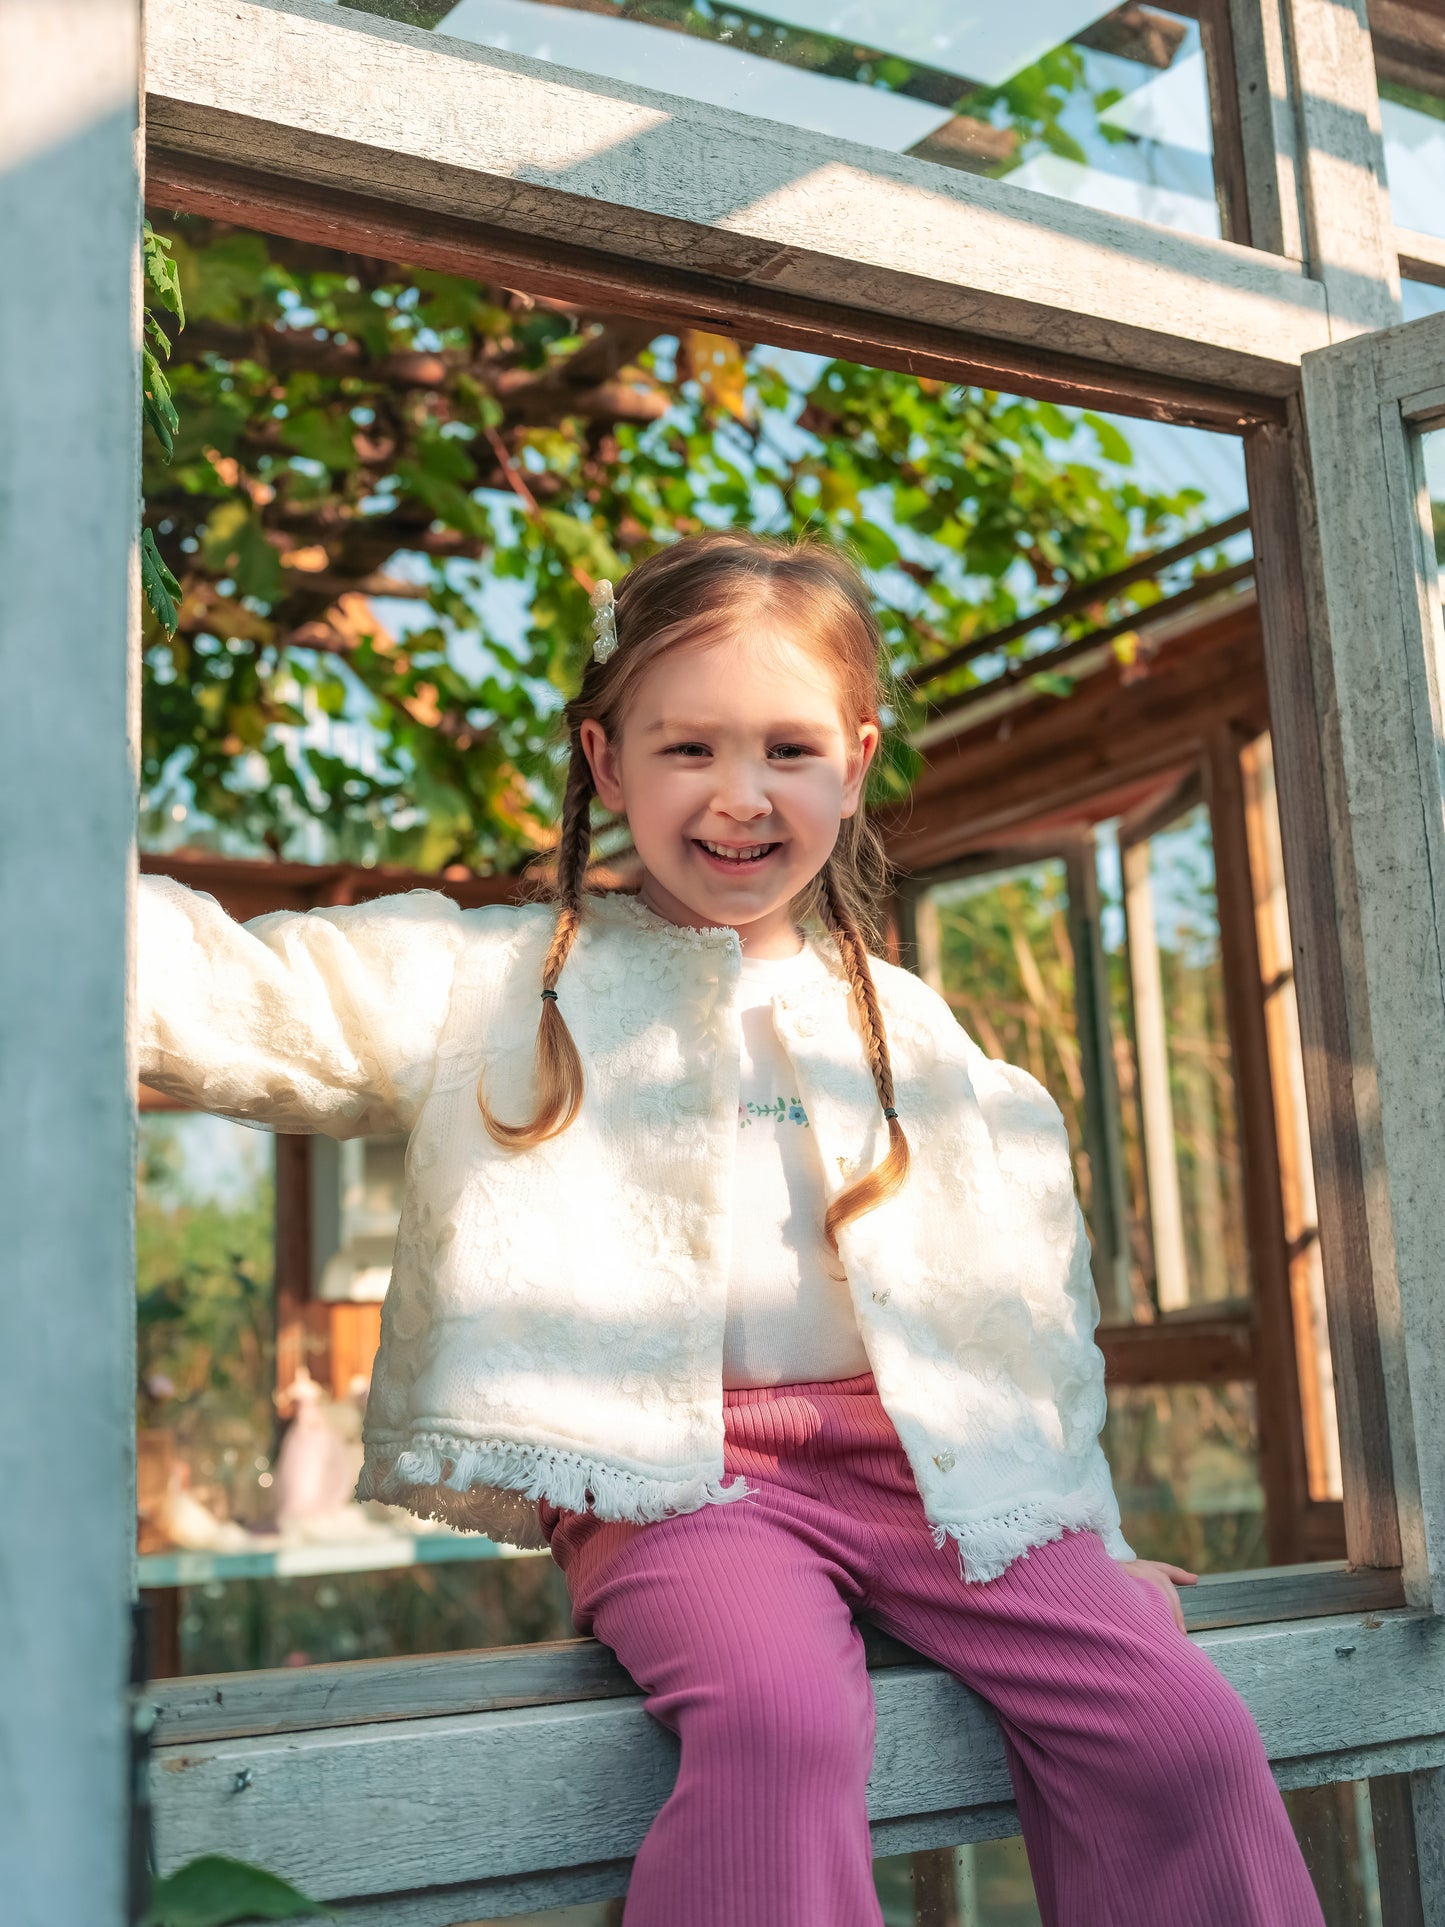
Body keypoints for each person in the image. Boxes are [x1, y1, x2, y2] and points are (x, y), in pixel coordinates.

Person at [137, 531, 1324, 1927]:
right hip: (675, 1479)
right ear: (605, 761)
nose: (739, 798)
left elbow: (1016, 1305)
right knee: (776, 1725)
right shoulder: (500, 979)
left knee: (1177, 1729)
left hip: (923, 1467)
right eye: (687, 749)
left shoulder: (913, 1027)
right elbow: (247, 998)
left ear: (856, 759)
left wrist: (1091, 1531)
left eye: (787, 749)